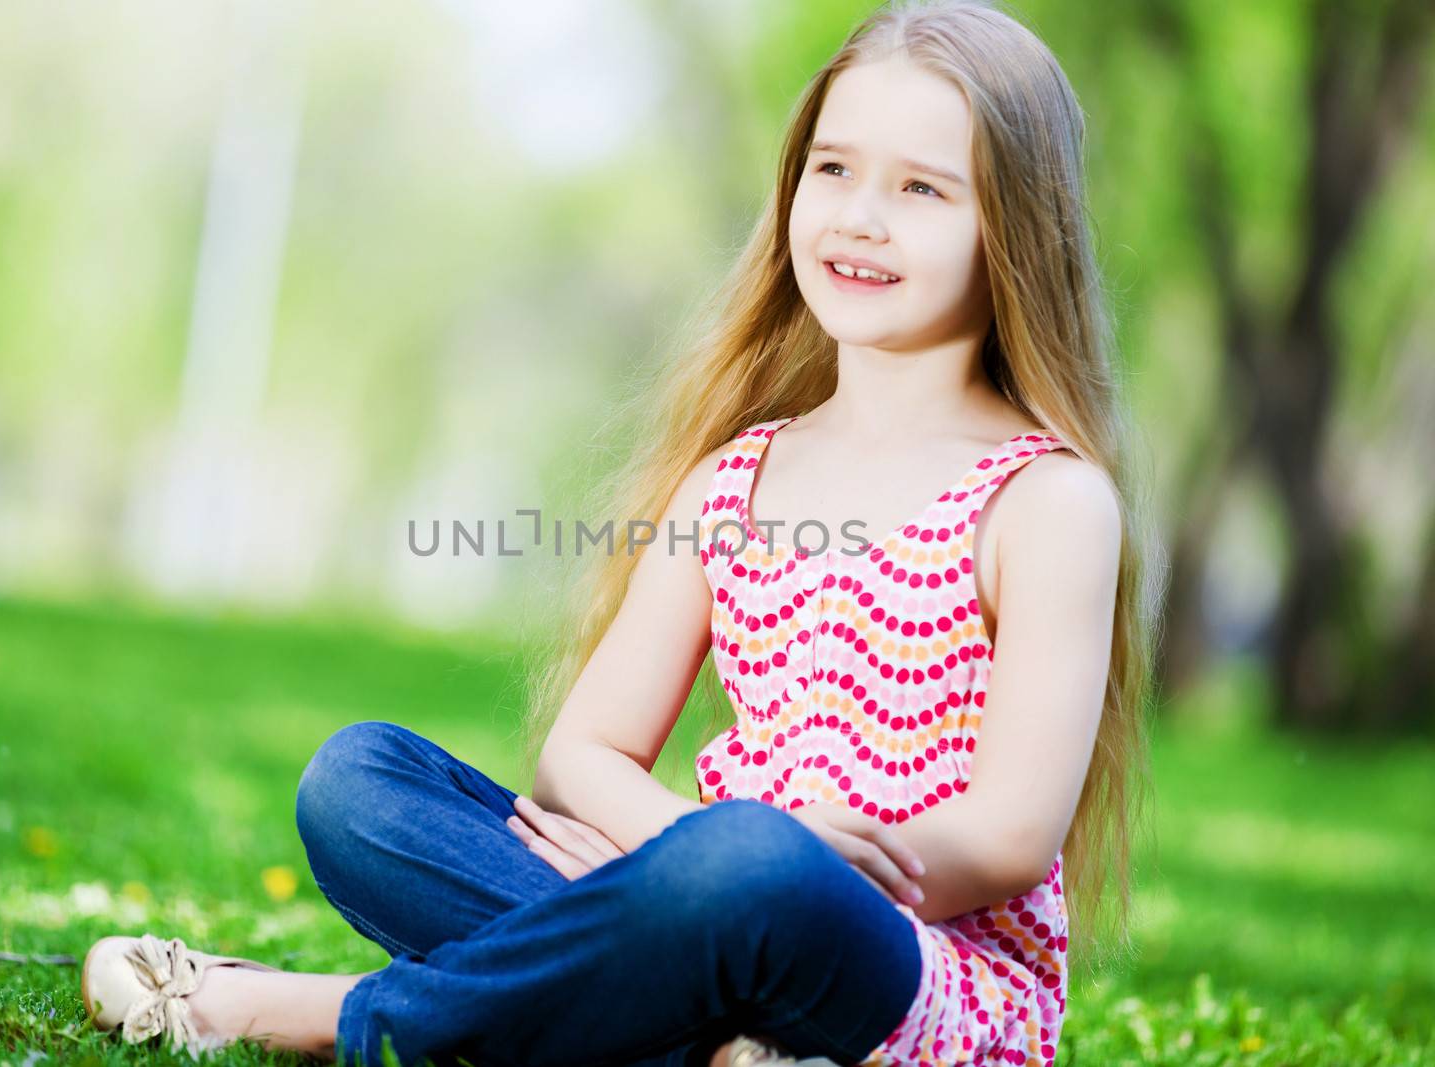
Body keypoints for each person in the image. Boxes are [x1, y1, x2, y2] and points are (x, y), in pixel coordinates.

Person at [79, 0, 1164, 1064]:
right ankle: (712, 1044)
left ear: (1013, 229)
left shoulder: (1045, 500)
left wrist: (783, 862)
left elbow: (1014, 834)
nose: (860, 216)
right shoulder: (733, 482)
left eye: (921, 188)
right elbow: (580, 756)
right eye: (833, 170)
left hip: (899, 968)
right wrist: (668, 851)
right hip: (695, 890)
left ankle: (328, 1014)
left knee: (754, 867)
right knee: (358, 783)